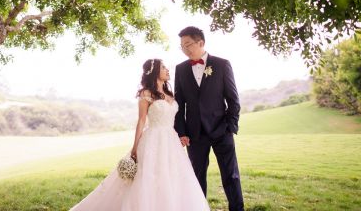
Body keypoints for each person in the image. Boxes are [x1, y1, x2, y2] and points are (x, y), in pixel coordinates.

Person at [70, 58, 209, 211]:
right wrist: (135, 147)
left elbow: (175, 119)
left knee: (173, 176)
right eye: (163, 67)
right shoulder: (146, 93)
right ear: (154, 71)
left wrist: (181, 134)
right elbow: (142, 120)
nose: (167, 70)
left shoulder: (170, 93)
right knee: (149, 176)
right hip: (153, 139)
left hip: (171, 140)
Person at [174, 26, 244, 211]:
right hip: (194, 135)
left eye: (188, 44)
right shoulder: (180, 69)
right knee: (196, 177)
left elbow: (233, 100)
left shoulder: (222, 64)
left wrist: (230, 126)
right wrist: (182, 132)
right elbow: (179, 105)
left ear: (201, 43)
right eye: (181, 46)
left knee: (231, 176)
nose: (185, 49)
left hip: (222, 131)